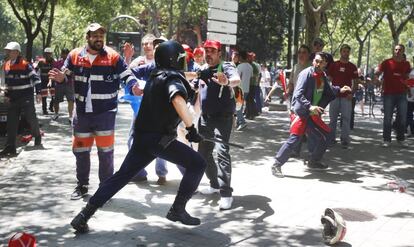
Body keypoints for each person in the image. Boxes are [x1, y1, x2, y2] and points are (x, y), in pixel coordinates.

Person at [70, 40, 207, 233]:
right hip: (159, 140)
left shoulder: (155, 74)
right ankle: (178, 209)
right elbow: (177, 98)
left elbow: (178, 85)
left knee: (121, 176)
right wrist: (191, 128)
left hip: (142, 138)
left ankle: (84, 215)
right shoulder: (173, 79)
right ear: (174, 60)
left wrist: (199, 77)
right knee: (198, 164)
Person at [48, 23, 140, 200]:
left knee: (105, 153)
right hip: (82, 115)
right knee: (81, 151)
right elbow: (65, 74)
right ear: (87, 38)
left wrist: (134, 86)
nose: (99, 39)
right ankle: (82, 186)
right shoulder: (75, 56)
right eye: (95, 35)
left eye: (101, 35)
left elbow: (127, 75)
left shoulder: (113, 56)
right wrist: (60, 78)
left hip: (105, 114)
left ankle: (105, 189)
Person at [271, 52, 351, 178]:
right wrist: (310, 106)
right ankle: (276, 164)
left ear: (326, 64)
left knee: (327, 135)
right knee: (295, 139)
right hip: (301, 113)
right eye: (316, 61)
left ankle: (313, 161)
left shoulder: (322, 75)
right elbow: (298, 94)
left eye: (321, 62)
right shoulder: (306, 74)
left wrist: (340, 89)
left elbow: (328, 90)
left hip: (312, 115)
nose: (318, 64)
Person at [197, 40, 241, 210]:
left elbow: (236, 79)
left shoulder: (227, 66)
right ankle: (214, 184)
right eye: (206, 50)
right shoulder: (203, 70)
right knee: (203, 153)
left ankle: (226, 193)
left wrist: (227, 82)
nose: (208, 54)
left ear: (219, 53)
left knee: (222, 153)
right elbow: (194, 85)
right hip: (205, 118)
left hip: (222, 119)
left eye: (212, 51)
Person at [123, 36, 173, 185]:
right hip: (140, 108)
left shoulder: (171, 66)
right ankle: (138, 173)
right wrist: (128, 58)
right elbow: (126, 73)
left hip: (161, 113)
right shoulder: (142, 63)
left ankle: (162, 174)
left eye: (150, 44)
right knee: (132, 140)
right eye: (144, 44)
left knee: (161, 143)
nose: (148, 47)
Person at [0, 42, 42, 156]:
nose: (7, 52)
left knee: (30, 117)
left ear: (17, 52)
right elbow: (5, 83)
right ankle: (10, 147)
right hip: (13, 98)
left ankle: (37, 135)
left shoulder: (25, 65)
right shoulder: (6, 65)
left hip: (26, 97)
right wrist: (6, 95)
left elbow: (36, 78)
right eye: (7, 50)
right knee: (11, 123)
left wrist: (38, 93)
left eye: (10, 51)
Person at [374, 44, 411, 147]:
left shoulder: (407, 64)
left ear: (403, 51)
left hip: (402, 94)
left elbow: (407, 78)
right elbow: (377, 73)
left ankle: (401, 138)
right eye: (396, 49)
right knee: (387, 117)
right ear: (393, 51)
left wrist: (408, 89)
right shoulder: (386, 62)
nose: (397, 51)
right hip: (389, 93)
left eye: (400, 50)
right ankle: (386, 139)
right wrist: (376, 79)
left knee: (402, 117)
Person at [327, 44, 359, 148]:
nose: (345, 53)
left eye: (347, 51)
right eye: (344, 51)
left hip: (346, 97)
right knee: (333, 119)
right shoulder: (334, 65)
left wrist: (352, 93)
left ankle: (345, 139)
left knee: (346, 118)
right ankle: (331, 139)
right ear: (340, 52)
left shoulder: (352, 66)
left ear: (349, 53)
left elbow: (356, 82)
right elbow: (329, 79)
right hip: (334, 96)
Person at [52, 48, 75, 122]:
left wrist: (69, 73)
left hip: (69, 84)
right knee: (56, 100)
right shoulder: (57, 63)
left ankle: (70, 116)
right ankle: (56, 114)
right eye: (63, 53)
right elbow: (53, 72)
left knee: (71, 100)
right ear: (61, 54)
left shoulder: (72, 63)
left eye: (66, 53)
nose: (64, 55)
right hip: (59, 84)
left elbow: (75, 73)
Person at [236, 50, 253, 131]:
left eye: (238, 56)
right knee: (240, 106)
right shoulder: (250, 67)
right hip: (247, 89)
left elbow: (237, 78)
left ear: (241, 57)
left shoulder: (240, 66)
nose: (238, 58)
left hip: (240, 89)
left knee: (238, 107)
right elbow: (251, 77)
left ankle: (242, 122)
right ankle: (238, 122)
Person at [37, 47, 55, 115]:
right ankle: (44, 109)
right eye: (47, 54)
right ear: (45, 54)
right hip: (43, 80)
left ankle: (51, 106)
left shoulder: (53, 61)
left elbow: (54, 70)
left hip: (52, 80)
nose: (48, 55)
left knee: (54, 95)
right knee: (44, 95)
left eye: (49, 54)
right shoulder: (41, 61)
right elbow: (36, 69)